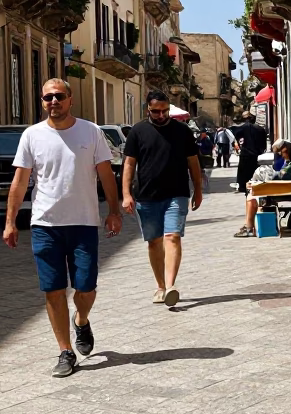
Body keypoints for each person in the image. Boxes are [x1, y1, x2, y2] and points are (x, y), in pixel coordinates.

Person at [2, 79, 122, 378]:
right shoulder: (32, 136)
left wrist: (114, 211)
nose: (53, 101)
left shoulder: (90, 131)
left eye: (58, 96)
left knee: (86, 287)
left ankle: (81, 320)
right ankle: (65, 351)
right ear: (42, 101)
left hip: (83, 223)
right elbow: (20, 182)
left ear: (70, 100)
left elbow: (106, 174)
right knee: (54, 290)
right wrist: (10, 221)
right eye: (47, 97)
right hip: (45, 225)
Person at [122, 90, 202, 307]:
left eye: (164, 110)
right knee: (154, 242)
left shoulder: (182, 131)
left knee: (173, 237)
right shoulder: (137, 131)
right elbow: (129, 164)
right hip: (146, 196)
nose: (160, 115)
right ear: (148, 109)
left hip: (177, 194)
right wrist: (126, 194)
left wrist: (198, 189)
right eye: (155, 111)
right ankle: (160, 286)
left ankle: (171, 286)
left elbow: (193, 162)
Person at [235, 141, 291, 238]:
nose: (282, 155)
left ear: (289, 152)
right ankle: (249, 226)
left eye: (283, 153)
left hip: (288, 192)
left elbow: (279, 176)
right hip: (285, 189)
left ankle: (249, 228)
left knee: (252, 197)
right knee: (252, 196)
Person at [232, 112, 267, 195]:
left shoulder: (242, 128)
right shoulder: (260, 129)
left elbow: (236, 135)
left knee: (244, 174)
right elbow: (264, 144)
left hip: (246, 154)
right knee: (255, 173)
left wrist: (240, 145)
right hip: (257, 155)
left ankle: (244, 188)